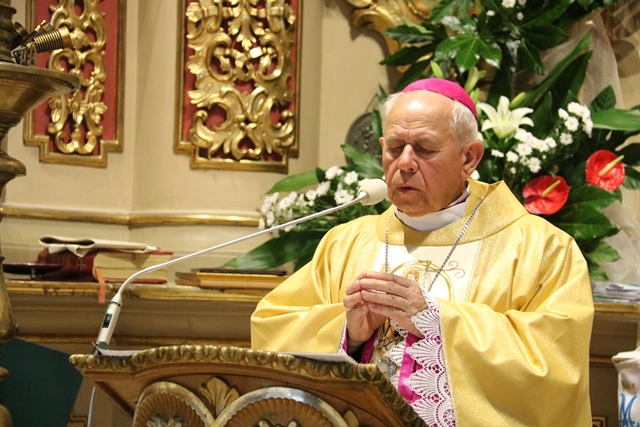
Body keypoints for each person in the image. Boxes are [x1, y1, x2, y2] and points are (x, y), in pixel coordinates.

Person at [251, 78, 594, 426]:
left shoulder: (542, 249)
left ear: (469, 158)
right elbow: (272, 329)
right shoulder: (346, 243)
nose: (405, 163)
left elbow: (557, 364)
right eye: (394, 147)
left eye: (425, 148)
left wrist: (436, 321)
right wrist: (347, 333)